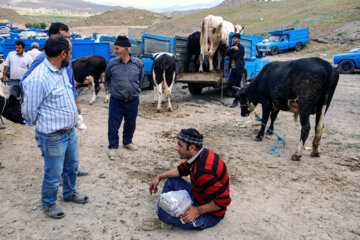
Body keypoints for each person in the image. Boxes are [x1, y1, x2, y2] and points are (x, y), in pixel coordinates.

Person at [21, 35, 88, 219]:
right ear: (62, 53)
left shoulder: (62, 71)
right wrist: (45, 125)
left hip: (69, 133)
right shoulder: (39, 78)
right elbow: (28, 111)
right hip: (52, 136)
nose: (72, 58)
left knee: (72, 166)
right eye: (70, 54)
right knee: (53, 174)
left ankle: (69, 193)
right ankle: (49, 203)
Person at [141, 128, 231, 230]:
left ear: (192, 148)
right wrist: (159, 176)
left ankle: (169, 220)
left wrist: (198, 210)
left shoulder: (202, 172)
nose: (176, 148)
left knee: (163, 213)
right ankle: (175, 213)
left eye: (180, 145)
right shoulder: (202, 153)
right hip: (200, 195)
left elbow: (224, 200)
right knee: (171, 180)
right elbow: (181, 170)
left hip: (212, 212)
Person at [105, 35, 144, 160]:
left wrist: (133, 89)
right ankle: (113, 146)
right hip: (116, 100)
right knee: (113, 124)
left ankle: (127, 142)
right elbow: (107, 79)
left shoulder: (137, 63)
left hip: (132, 100)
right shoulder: (112, 63)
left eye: (117, 49)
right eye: (115, 49)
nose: (115, 51)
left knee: (131, 123)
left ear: (126, 49)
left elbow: (140, 79)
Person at [225, 33, 245, 108]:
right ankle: (239, 96)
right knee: (229, 84)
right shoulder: (232, 47)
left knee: (237, 85)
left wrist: (231, 52)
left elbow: (235, 56)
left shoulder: (241, 47)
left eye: (235, 38)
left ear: (239, 39)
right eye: (233, 38)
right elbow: (226, 54)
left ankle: (235, 101)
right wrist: (232, 48)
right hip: (233, 68)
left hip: (239, 68)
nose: (234, 40)